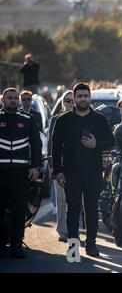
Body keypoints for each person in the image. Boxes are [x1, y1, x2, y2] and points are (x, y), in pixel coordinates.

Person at [52, 82, 114, 257]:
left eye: (85, 95)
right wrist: (58, 171)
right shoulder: (63, 120)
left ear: (90, 97)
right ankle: (73, 248)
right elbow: (55, 147)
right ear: (74, 98)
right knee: (72, 210)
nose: (83, 99)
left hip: (93, 172)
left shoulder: (99, 119)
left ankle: (91, 245)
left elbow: (110, 141)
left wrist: (96, 145)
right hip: (71, 173)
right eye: (79, 96)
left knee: (92, 210)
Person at [0, 88, 41, 258]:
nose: (13, 101)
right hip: (0, 172)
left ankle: (16, 246)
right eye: (10, 98)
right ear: (3, 99)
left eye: (16, 98)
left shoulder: (28, 119)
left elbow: (36, 144)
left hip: (20, 173)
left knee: (19, 211)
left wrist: (35, 166)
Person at [48, 90, 74, 242]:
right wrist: (52, 167)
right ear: (62, 103)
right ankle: (62, 230)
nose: (70, 103)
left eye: (72, 100)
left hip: (77, 166)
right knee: (61, 199)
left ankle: (73, 229)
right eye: (67, 100)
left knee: (75, 201)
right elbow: (51, 144)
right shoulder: (55, 119)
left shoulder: (80, 118)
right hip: (60, 165)